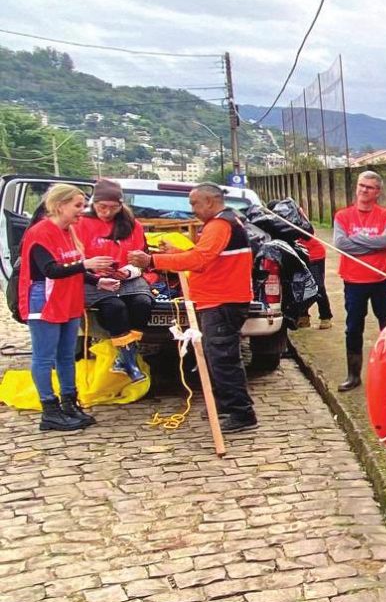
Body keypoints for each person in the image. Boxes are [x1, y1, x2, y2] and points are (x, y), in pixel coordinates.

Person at [128, 184, 258, 433]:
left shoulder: (221, 225)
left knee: (223, 359)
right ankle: (224, 404)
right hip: (218, 299)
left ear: (209, 201)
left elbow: (199, 261)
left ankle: (241, 413)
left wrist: (153, 261)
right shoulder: (226, 222)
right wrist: (176, 253)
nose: (192, 209)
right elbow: (206, 255)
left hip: (222, 301)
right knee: (216, 356)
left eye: (194, 204)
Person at [19, 184, 114, 431]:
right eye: (78, 206)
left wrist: (97, 280)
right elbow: (50, 269)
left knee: (66, 355)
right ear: (59, 205)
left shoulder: (69, 231)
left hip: (69, 298)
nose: (82, 212)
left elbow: (70, 266)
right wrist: (87, 265)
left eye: (83, 206)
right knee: (44, 356)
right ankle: (49, 409)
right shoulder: (41, 232)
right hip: (46, 299)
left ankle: (70, 402)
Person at [76, 179, 154, 383]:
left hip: (127, 276)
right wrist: (93, 268)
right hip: (92, 278)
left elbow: (141, 259)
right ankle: (129, 360)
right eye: (102, 207)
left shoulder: (132, 225)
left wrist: (127, 272)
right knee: (114, 307)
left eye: (113, 208)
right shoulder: (80, 223)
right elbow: (72, 257)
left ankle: (125, 355)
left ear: (121, 206)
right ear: (94, 203)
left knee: (143, 303)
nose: (107, 212)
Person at [332, 171, 386, 392]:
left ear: (377, 191)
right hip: (353, 281)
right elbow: (341, 244)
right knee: (353, 328)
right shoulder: (342, 216)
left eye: (369, 187)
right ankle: (353, 374)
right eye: (361, 185)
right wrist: (373, 244)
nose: (363, 190)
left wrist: (357, 241)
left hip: (381, 280)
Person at [296, 231, 333, 329]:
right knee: (300, 286)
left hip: (314, 255)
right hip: (298, 256)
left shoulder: (297, 219)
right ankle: (303, 316)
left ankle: (325, 316)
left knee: (318, 287)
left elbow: (308, 232)